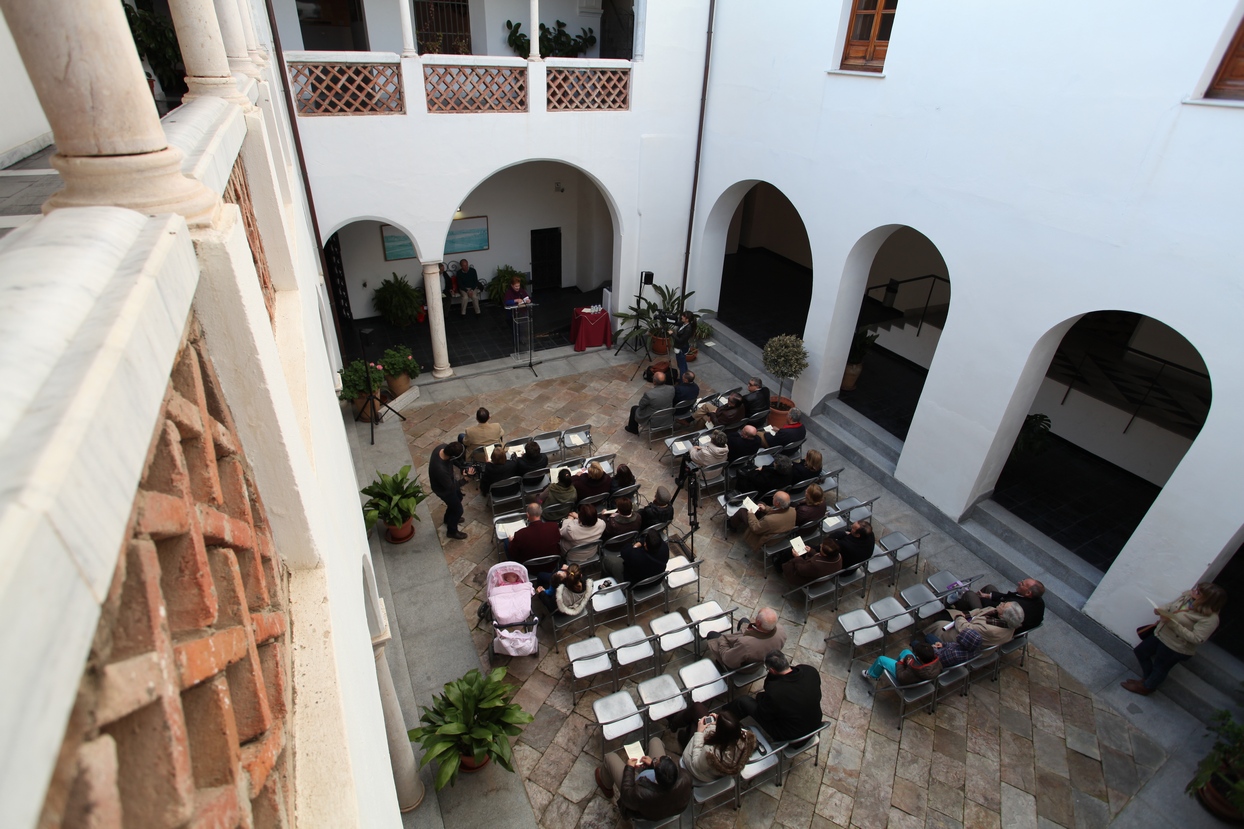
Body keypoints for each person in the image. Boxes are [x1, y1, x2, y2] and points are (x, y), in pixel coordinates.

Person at [1123, 582, 1226, 696]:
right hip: (1161, 634)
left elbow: (1197, 638)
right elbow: (1172, 606)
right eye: (1197, 588)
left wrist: (1173, 624)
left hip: (1176, 647)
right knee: (1141, 652)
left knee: (1160, 668)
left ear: (1207, 600)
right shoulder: (1187, 597)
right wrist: (1161, 609)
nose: (1194, 591)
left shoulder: (1210, 619)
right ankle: (1147, 681)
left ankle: (1147, 687)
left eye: (1199, 592)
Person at [727, 650, 822, 742]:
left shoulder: (775, 691)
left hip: (792, 736)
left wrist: (761, 697)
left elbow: (764, 714)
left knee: (743, 701)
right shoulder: (810, 671)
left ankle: (723, 720)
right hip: (815, 724)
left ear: (772, 670)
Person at [595, 738, 691, 822]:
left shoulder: (640, 793)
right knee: (655, 741)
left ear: (656, 775)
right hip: (668, 808)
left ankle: (606, 787)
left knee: (610, 757)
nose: (656, 759)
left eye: (656, 762)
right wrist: (653, 765)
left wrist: (629, 768)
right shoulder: (685, 779)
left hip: (644, 813)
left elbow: (626, 794)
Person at [680, 708, 756, 783]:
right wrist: (721, 721)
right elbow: (730, 731)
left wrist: (699, 732)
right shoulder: (745, 739)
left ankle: (675, 727)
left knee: (694, 721)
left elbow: (697, 765)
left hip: (702, 773)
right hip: (718, 770)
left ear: (719, 731)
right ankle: (679, 728)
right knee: (697, 712)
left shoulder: (711, 752)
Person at [953, 578, 1046, 634]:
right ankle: (966, 601)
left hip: (996, 620)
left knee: (970, 595)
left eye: (1022, 584)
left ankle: (957, 613)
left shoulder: (1016, 605)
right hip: (1002, 613)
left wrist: (983, 599)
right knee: (989, 588)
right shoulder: (1038, 600)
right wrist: (989, 595)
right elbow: (1008, 597)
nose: (1018, 582)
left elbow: (996, 609)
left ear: (1028, 592)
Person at [706, 607, 787, 670]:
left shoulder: (745, 644)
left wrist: (722, 640)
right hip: (761, 658)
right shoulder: (781, 630)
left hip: (746, 668)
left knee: (712, 635)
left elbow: (729, 660)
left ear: (758, 623)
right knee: (744, 620)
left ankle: (720, 665)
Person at [927, 602, 1024, 649]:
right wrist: (967, 615)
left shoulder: (990, 629)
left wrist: (960, 617)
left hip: (962, 639)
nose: (1001, 603)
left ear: (1002, 615)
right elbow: (979, 611)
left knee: (939, 624)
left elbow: (965, 629)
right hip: (968, 620)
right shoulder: (1008, 621)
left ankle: (926, 635)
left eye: (1003, 605)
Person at [428, 441, 473, 539]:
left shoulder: (442, 447)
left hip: (448, 482)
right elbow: (451, 487)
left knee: (459, 497)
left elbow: (454, 461)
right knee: (458, 510)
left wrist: (462, 467)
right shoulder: (440, 470)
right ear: (452, 456)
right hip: (444, 490)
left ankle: (448, 519)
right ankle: (452, 531)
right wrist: (465, 479)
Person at [862, 639, 942, 685]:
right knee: (906, 651)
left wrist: (900, 663)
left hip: (907, 678)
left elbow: (902, 677)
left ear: (918, 657)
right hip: (919, 674)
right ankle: (893, 665)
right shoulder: (937, 663)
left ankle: (872, 675)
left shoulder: (915, 671)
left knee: (881, 659)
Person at [605, 528, 669, 584]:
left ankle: (604, 583)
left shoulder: (635, 555)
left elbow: (624, 551)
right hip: (656, 581)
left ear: (645, 545)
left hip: (636, 584)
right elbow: (651, 542)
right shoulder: (665, 548)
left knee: (607, 560)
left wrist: (634, 546)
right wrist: (641, 542)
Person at [672, 311, 696, 379]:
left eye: (683, 316)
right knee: (683, 364)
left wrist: (672, 334)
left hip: (682, 348)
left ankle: (683, 381)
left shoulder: (688, 329)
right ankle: (687, 376)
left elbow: (680, 340)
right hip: (681, 347)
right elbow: (676, 323)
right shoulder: (683, 324)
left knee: (681, 366)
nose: (682, 317)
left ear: (687, 319)